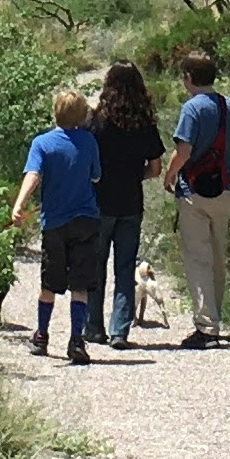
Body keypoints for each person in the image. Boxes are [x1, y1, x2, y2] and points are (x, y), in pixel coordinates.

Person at [9, 87, 107, 365]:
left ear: (55, 112)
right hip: (86, 220)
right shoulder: (88, 142)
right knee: (81, 284)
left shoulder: (42, 143)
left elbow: (33, 174)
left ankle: (42, 335)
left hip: (54, 222)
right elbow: (96, 177)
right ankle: (77, 340)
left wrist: (19, 204)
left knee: (49, 281)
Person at [91, 60, 165, 346]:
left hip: (99, 203)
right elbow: (156, 168)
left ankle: (93, 328)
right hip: (131, 202)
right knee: (125, 268)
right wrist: (136, 176)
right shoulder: (144, 124)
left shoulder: (96, 122)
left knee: (95, 266)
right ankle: (119, 329)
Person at [168, 47, 230, 348]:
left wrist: (169, 175)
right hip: (224, 187)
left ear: (188, 77)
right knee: (219, 256)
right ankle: (215, 317)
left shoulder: (191, 108)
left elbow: (183, 150)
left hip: (194, 190)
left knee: (199, 258)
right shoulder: (228, 105)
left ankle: (206, 327)